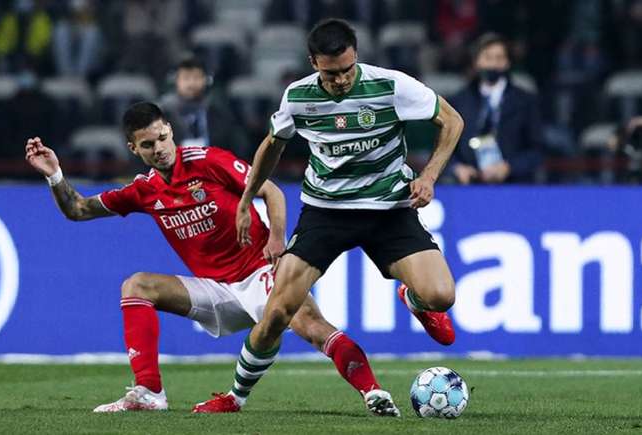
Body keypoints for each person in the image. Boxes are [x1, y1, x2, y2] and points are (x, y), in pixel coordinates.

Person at [25, 102, 400, 416]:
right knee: (136, 286)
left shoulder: (209, 161)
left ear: (170, 130)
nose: (159, 148)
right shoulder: (144, 191)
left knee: (312, 325)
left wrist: (276, 237)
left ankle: (373, 392)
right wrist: (55, 174)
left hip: (258, 274)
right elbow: (78, 210)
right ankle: (149, 393)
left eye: (162, 138)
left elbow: (271, 191)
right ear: (133, 149)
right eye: (147, 145)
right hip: (214, 289)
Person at [195, 18, 463, 413]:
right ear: (312, 62)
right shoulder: (298, 96)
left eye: (347, 70)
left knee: (442, 296)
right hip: (326, 212)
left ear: (357, 57)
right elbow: (273, 145)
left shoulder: (391, 85)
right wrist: (246, 198)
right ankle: (235, 397)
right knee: (277, 313)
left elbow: (452, 120)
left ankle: (415, 300)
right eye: (331, 73)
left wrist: (429, 175)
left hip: (387, 208)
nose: (340, 80)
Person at [449, 33, 542, 184]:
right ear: (476, 62)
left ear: (507, 62)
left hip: (513, 186)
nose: (493, 64)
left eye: (499, 58)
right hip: (468, 187)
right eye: (487, 58)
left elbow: (537, 151)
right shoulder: (459, 101)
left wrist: (509, 167)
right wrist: (457, 168)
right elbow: (444, 146)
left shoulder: (525, 101)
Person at [159, 57, 248, 156]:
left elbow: (232, 142)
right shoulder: (163, 113)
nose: (191, 83)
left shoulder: (219, 110)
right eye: (186, 78)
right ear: (175, 81)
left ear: (207, 80)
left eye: (196, 78)